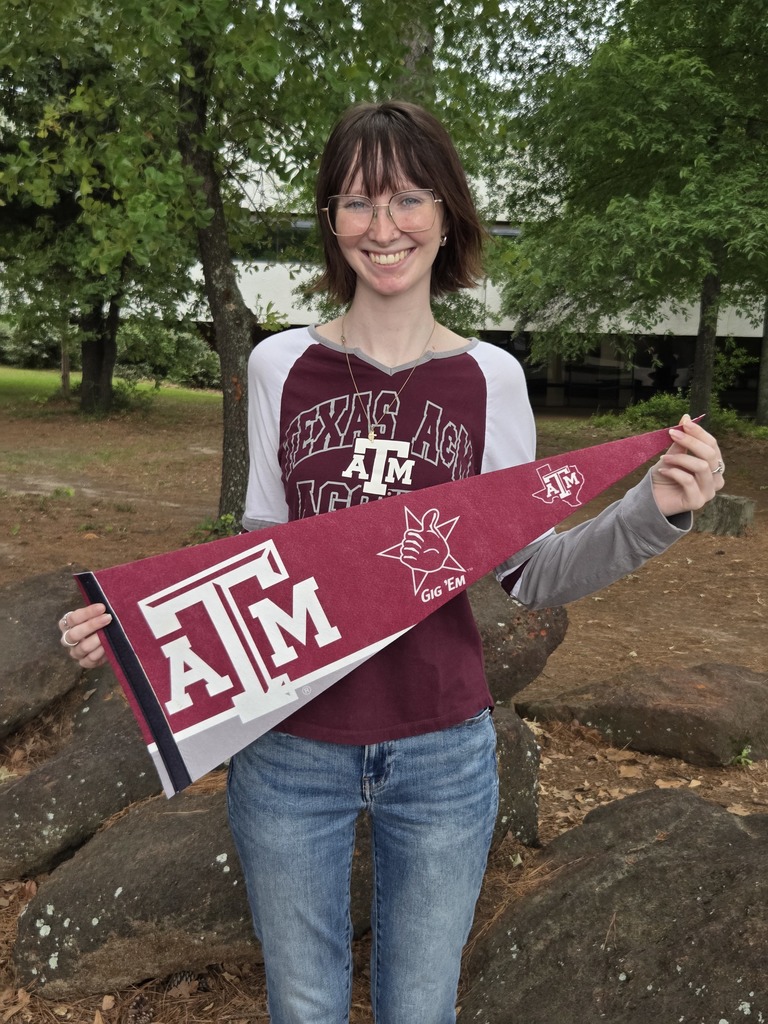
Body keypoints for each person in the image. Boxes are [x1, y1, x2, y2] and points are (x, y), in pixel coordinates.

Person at [59, 100, 726, 1024]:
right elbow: (261, 550)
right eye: (358, 201)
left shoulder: (491, 380)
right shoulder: (278, 367)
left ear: (446, 214)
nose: (384, 227)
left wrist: (656, 511)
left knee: (420, 1007)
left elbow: (531, 575)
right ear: (331, 220)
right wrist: (140, 627)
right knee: (303, 1003)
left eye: (409, 198)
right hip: (289, 750)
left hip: (442, 751)